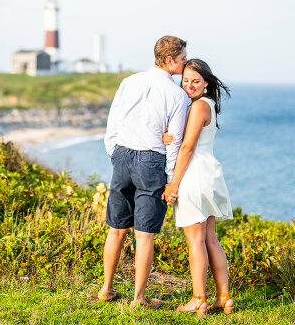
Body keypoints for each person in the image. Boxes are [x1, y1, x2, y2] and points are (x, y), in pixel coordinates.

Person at [97, 35, 191, 309]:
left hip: (123, 155)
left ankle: (106, 289)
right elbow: (173, 142)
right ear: (170, 60)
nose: (185, 64)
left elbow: (112, 121)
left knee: (116, 229)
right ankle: (138, 299)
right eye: (183, 59)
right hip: (151, 160)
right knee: (144, 234)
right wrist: (173, 180)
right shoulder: (177, 95)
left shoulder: (130, 81)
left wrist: (114, 152)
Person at [162, 58, 234, 315]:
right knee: (210, 239)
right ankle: (224, 298)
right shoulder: (210, 104)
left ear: (206, 83)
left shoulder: (198, 107)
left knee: (195, 241)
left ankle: (199, 299)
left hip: (194, 177)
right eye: (185, 81)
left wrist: (173, 183)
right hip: (210, 175)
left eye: (195, 81)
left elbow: (187, 147)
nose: (189, 85)